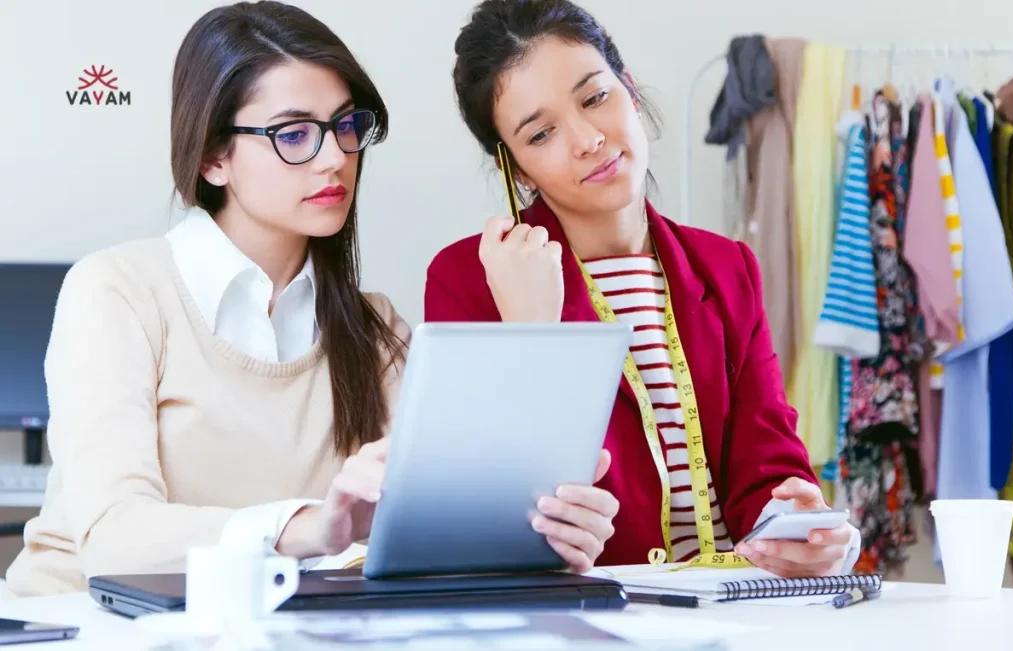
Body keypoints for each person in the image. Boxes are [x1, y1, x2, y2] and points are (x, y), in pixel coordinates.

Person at [5, 0, 615, 597]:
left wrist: (542, 531)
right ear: (214, 156)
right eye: (294, 134)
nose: (334, 158)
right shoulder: (118, 291)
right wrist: (309, 527)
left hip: (271, 631)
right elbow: (114, 536)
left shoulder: (374, 328)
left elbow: (430, 527)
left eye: (346, 126)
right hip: (80, 624)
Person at [425, 0, 862, 578]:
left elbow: (768, 464)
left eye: (595, 97)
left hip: (735, 609)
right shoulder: (467, 280)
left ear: (628, 89)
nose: (586, 139)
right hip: (587, 618)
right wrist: (533, 330)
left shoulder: (727, 267)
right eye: (542, 132)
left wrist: (798, 522)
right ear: (516, 168)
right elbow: (493, 506)